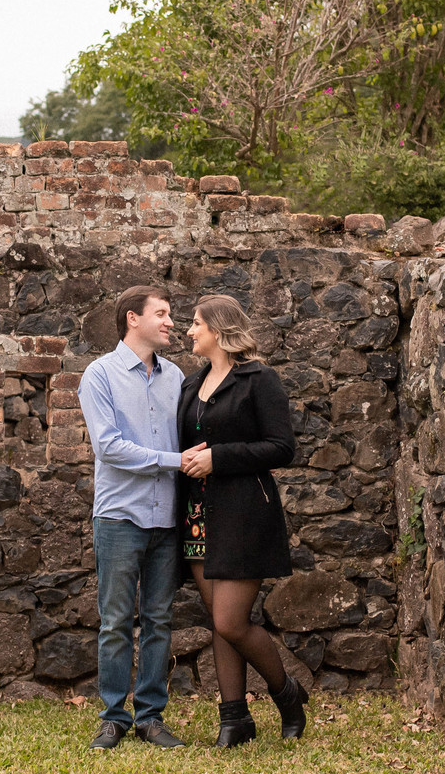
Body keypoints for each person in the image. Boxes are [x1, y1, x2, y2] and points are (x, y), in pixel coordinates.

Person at [178, 294, 310, 747]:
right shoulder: (190, 384)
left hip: (245, 514)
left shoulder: (259, 379)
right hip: (197, 515)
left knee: (231, 621)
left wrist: (220, 457)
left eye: (196, 323)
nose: (189, 331)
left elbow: (282, 447)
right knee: (218, 622)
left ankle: (286, 694)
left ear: (218, 329)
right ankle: (234, 720)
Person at [78, 285, 205, 751]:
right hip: (119, 517)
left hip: (166, 518)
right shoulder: (100, 375)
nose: (172, 322)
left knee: (158, 619)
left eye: (172, 313)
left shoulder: (177, 377)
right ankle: (113, 718)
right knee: (114, 621)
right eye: (163, 313)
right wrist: (176, 461)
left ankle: (151, 717)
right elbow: (108, 447)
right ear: (133, 318)